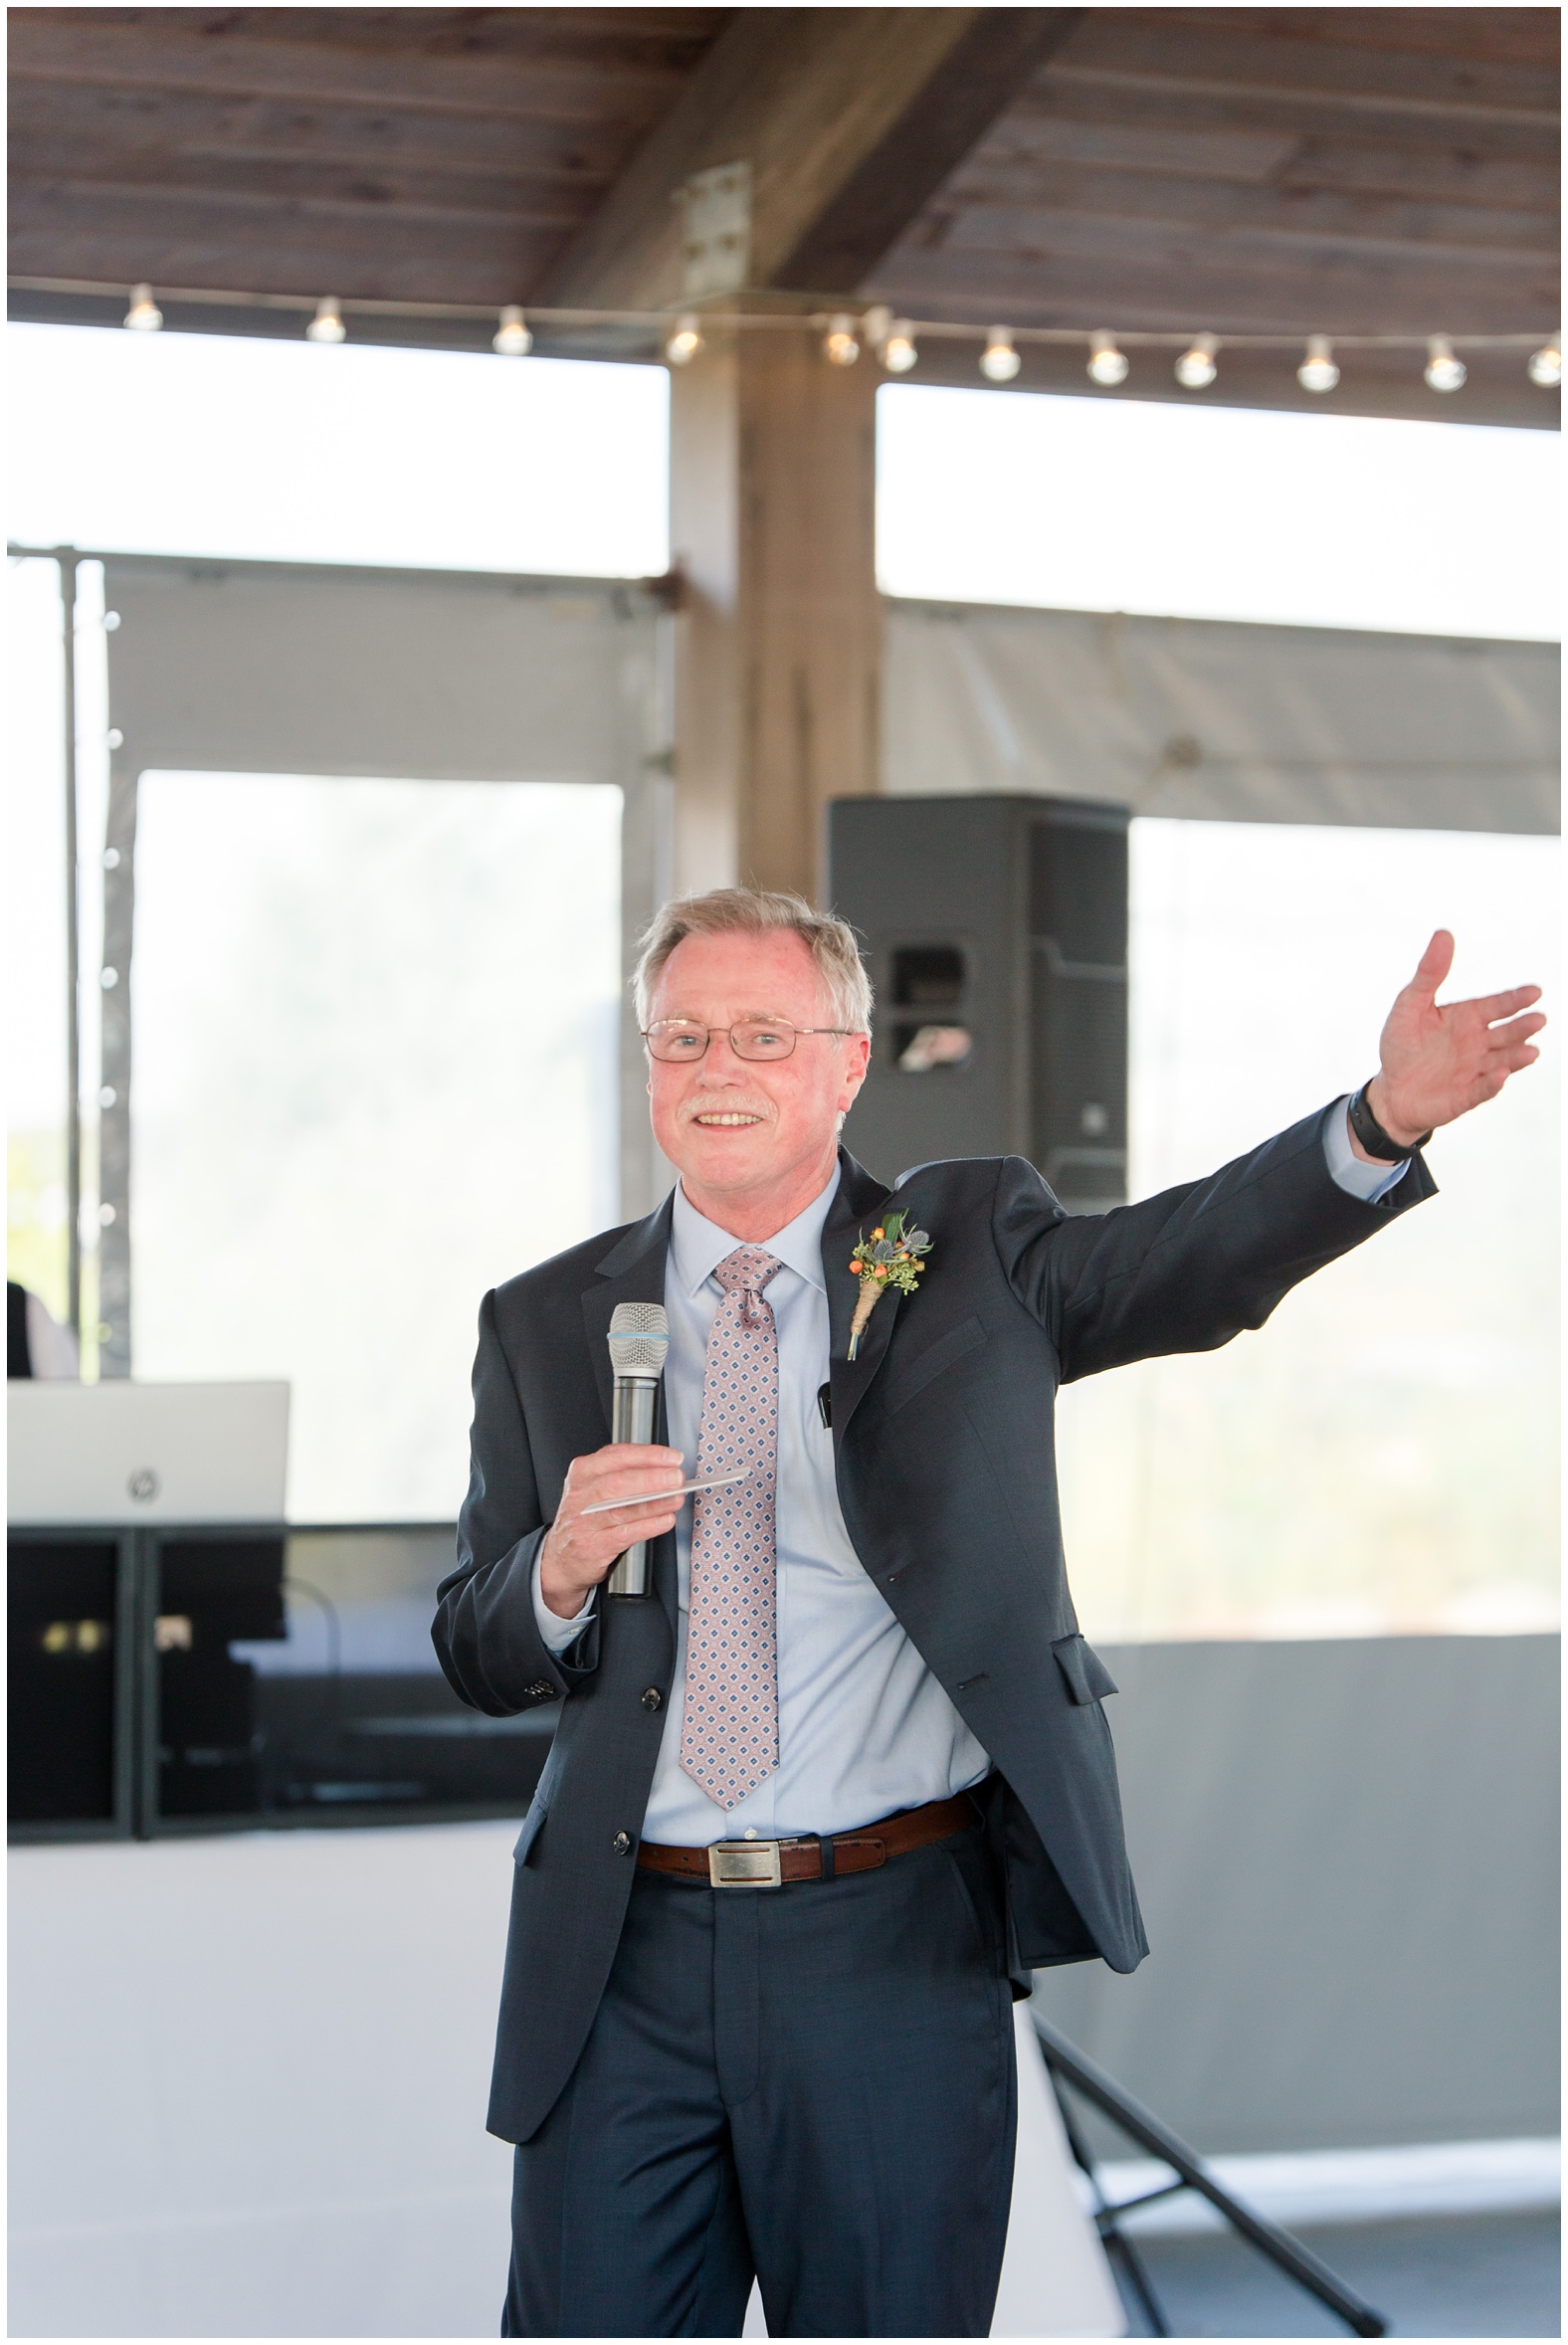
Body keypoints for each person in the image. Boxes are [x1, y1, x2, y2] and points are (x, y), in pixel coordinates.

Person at [433, 887, 1542, 2339]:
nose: (717, 1067)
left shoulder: (963, 1248)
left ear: (847, 1062)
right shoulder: (545, 1317)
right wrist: (559, 1570)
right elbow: (474, 1636)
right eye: (683, 1035)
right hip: (622, 1953)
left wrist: (1381, 1122)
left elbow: (1189, 1256)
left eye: (763, 1033)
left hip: (888, 1941)